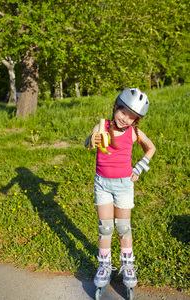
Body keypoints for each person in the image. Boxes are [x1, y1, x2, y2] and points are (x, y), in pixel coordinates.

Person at [84, 88, 156, 289]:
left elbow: (151, 148)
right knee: (105, 228)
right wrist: (92, 140)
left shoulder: (134, 133)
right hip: (103, 184)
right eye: (123, 112)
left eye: (132, 117)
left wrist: (139, 168)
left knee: (123, 228)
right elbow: (87, 143)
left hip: (124, 185)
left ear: (136, 120)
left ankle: (128, 265)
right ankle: (104, 265)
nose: (125, 119)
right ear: (116, 107)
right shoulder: (102, 127)